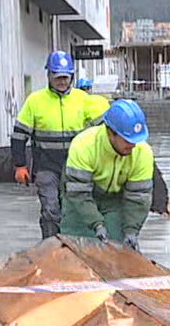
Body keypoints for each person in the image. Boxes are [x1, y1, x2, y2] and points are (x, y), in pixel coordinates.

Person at [11, 51, 99, 238]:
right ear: (49, 75)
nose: (61, 82)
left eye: (65, 77)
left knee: (76, 211)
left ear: (72, 77)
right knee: (51, 209)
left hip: (76, 166)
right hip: (46, 167)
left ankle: (74, 248)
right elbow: (19, 136)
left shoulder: (83, 100)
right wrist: (20, 165)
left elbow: (103, 130)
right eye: (57, 77)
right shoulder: (35, 101)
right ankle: (50, 247)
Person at [60, 99, 155, 251]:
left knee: (117, 247)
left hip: (114, 198)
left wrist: (131, 231)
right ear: (110, 133)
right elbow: (79, 194)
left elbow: (139, 198)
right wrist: (96, 224)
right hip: (79, 197)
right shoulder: (84, 145)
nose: (132, 145)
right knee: (76, 247)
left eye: (136, 140)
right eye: (127, 140)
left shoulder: (143, 152)